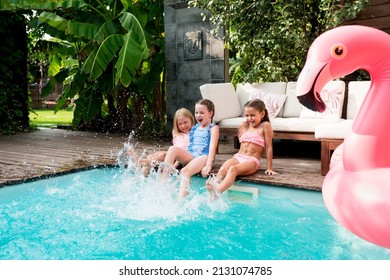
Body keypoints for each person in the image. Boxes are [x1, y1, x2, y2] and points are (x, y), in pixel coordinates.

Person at [206, 99, 277, 199]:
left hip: (252, 161)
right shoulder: (244, 126)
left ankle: (217, 192)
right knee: (223, 168)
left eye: (252, 115)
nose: (249, 118)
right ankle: (214, 187)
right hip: (238, 157)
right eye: (247, 115)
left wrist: (269, 168)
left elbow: (269, 147)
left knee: (233, 169)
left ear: (262, 114)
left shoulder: (265, 126)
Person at [162, 99, 219, 198]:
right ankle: (162, 185)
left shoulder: (213, 128)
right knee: (172, 149)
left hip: (203, 157)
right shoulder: (195, 128)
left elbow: (213, 147)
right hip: (192, 156)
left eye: (202, 112)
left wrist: (208, 165)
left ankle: (181, 201)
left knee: (185, 171)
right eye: (196, 112)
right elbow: (189, 146)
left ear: (210, 113)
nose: (198, 115)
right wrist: (177, 162)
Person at [137, 108, 195, 176]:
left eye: (185, 122)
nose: (183, 126)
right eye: (180, 124)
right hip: (174, 155)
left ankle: (143, 162)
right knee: (151, 155)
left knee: (163, 155)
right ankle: (143, 178)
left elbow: (187, 148)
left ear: (191, 119)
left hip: (183, 157)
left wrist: (175, 164)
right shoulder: (176, 132)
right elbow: (177, 145)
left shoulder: (194, 132)